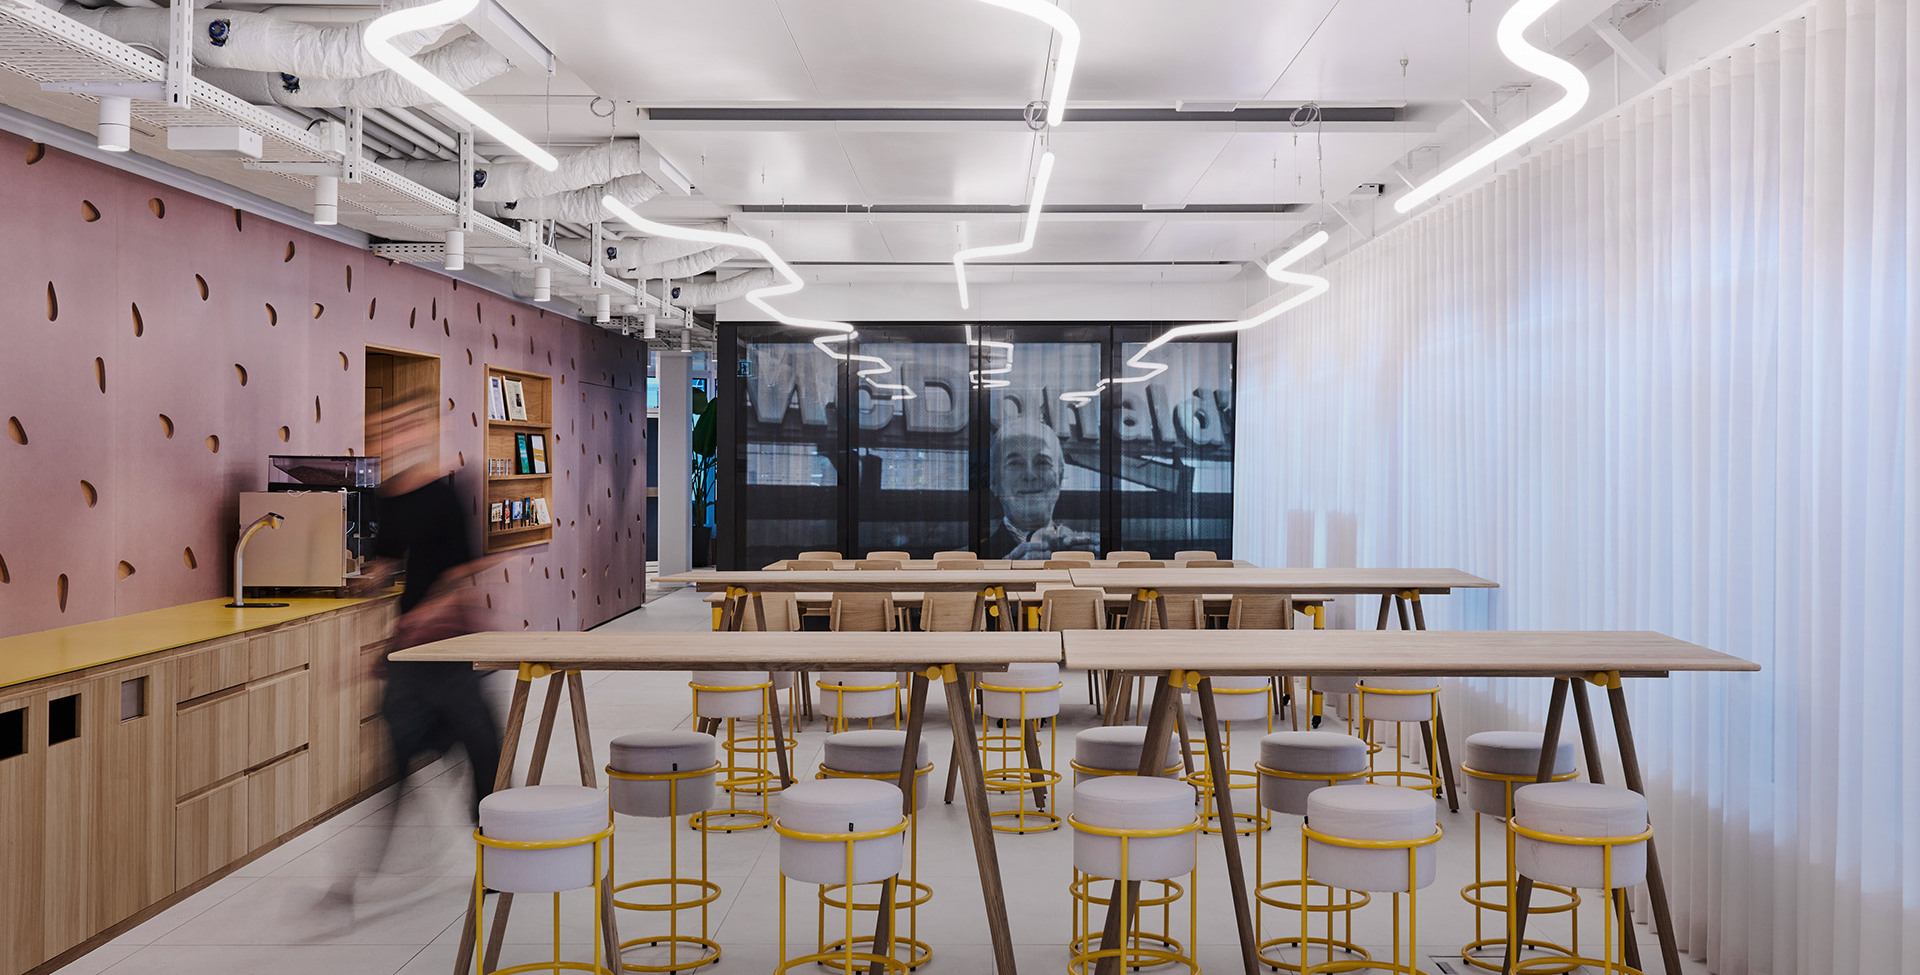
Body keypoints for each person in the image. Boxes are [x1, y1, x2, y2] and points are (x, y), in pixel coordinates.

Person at [987, 416, 1098, 559]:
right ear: (994, 481)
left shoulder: (1093, 552)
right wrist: (1004, 576)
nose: (1030, 475)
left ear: (1060, 476)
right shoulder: (972, 562)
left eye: (1042, 462)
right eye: (1014, 463)